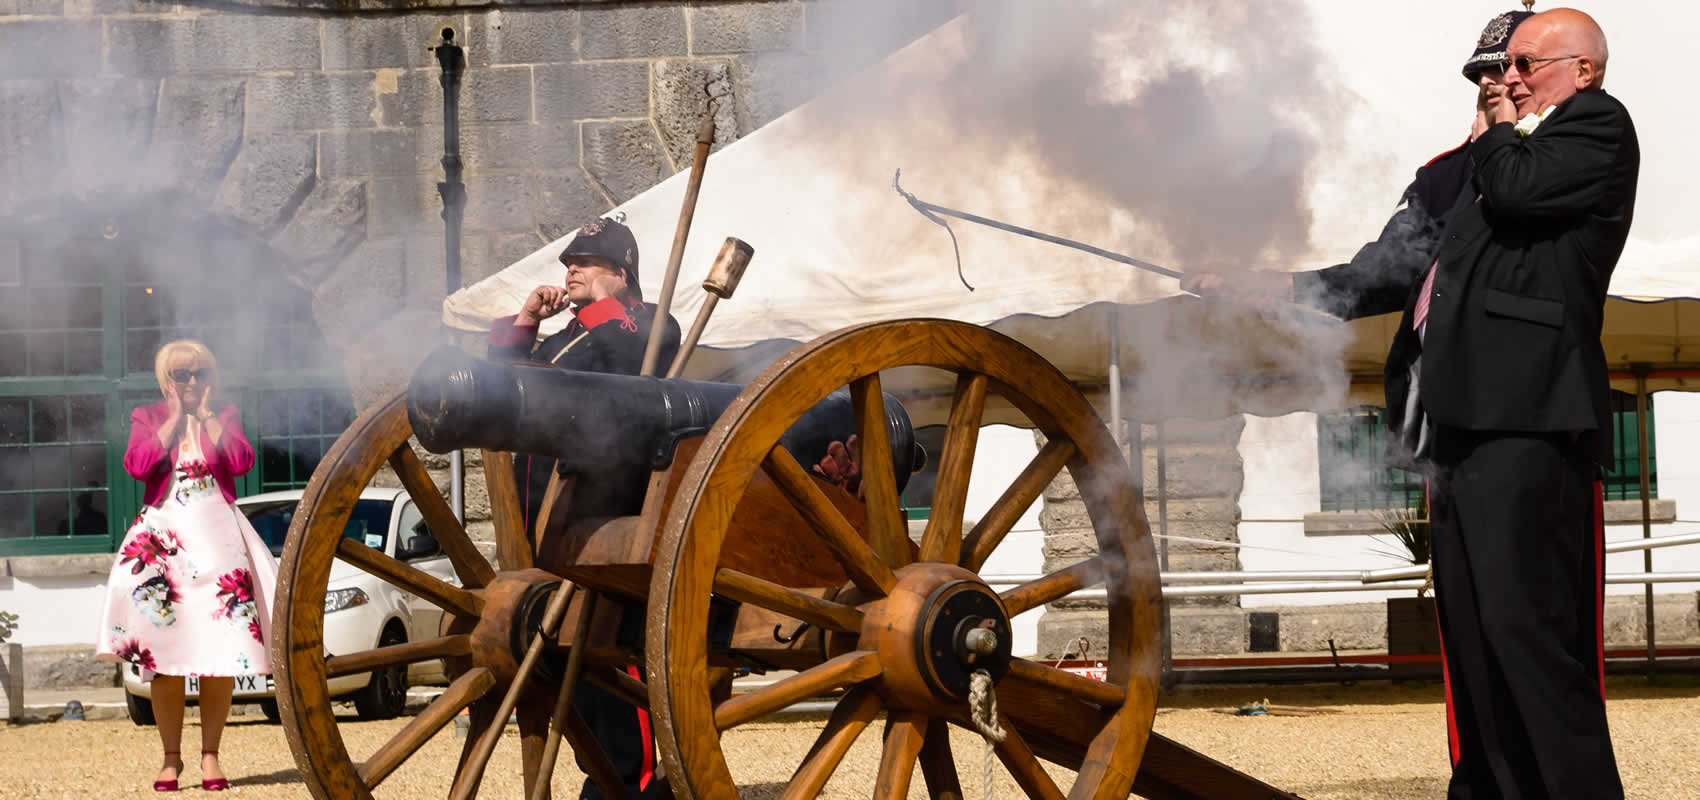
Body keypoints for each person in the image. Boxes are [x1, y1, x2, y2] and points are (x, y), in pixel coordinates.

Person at [1185, 8, 1636, 798]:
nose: (1504, 81)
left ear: (1583, 70)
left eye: (1522, 65)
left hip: (1530, 417)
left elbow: (1524, 193)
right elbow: (1386, 273)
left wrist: (1497, 131)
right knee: (1474, 636)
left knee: (1533, 637)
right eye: (1490, 72)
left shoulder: (1593, 129)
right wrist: (1274, 287)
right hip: (1454, 422)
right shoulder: (1467, 170)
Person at [486, 214, 681, 800]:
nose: (571, 269)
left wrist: (599, 301)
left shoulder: (647, 323)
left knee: (615, 657)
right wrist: (524, 322)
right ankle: (606, 776)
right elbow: (502, 395)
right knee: (574, 657)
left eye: (587, 263)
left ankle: (642, 782)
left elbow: (635, 357)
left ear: (621, 274)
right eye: (569, 262)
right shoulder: (567, 337)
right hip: (546, 524)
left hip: (607, 515)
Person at [96, 339, 278, 793]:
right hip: (164, 546)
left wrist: (208, 417)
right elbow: (137, 465)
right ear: (167, 380)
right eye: (182, 375)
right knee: (165, 658)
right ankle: (170, 759)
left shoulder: (225, 414)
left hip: (218, 546)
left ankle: (211, 755)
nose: (193, 382)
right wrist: (176, 418)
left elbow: (240, 461)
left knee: (221, 656)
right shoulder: (148, 417)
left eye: (200, 373)